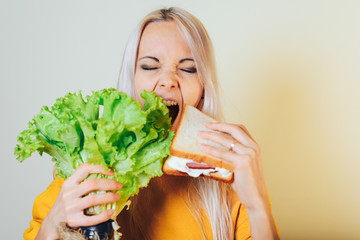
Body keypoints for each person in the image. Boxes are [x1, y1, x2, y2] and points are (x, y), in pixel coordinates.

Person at [24, 7, 279, 240]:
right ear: (132, 80)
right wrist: (52, 226)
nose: (168, 80)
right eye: (149, 66)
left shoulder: (232, 178)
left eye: (189, 69)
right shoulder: (87, 164)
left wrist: (257, 205)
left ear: (203, 90)